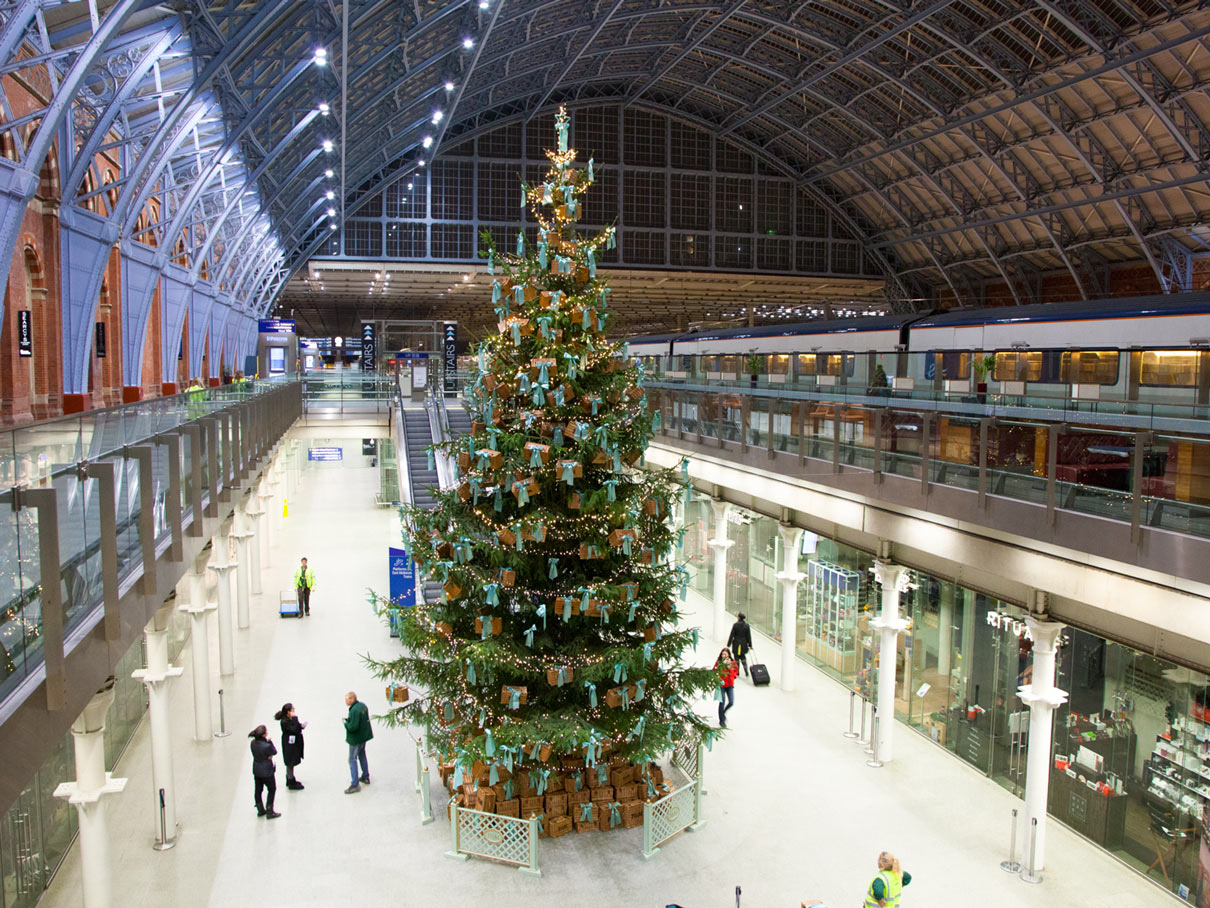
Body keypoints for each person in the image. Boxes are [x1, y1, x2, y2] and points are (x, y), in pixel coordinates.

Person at [343, 691, 373, 793]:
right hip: (363, 737)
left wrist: (346, 723)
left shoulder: (354, 711)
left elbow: (353, 727)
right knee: (362, 754)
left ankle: (355, 784)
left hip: (355, 739)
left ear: (351, 699)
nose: (345, 701)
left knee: (352, 759)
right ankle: (365, 776)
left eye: (346, 699)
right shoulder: (362, 706)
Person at [248, 725, 280, 818]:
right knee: (272, 789)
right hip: (267, 771)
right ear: (263, 735)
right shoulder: (267, 746)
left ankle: (260, 809)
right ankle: (270, 811)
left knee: (258, 790)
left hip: (257, 770)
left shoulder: (253, 743)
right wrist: (270, 742)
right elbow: (274, 752)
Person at [275, 703, 306, 790]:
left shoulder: (288, 719)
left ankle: (290, 778)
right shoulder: (285, 722)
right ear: (288, 712)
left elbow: (296, 726)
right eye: (292, 709)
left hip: (293, 743)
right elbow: (294, 729)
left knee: (291, 760)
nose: (294, 710)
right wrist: (295, 718)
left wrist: (301, 726)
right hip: (289, 745)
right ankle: (291, 781)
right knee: (290, 762)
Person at [715, 648, 738, 728]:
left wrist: (730, 670)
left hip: (730, 685)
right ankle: (721, 720)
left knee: (731, 702)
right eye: (722, 654)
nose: (723, 655)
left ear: (728, 654)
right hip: (721, 685)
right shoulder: (719, 662)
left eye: (725, 654)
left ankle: (723, 713)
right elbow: (715, 670)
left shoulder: (732, 662)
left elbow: (735, 671)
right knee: (722, 702)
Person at [727, 612, 754, 678]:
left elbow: (732, 635)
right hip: (743, 644)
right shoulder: (747, 625)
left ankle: (737, 672)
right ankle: (746, 671)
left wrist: (729, 644)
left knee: (736, 658)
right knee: (743, 657)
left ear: (739, 617)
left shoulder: (735, 625)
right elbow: (748, 636)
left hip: (736, 643)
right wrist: (750, 645)